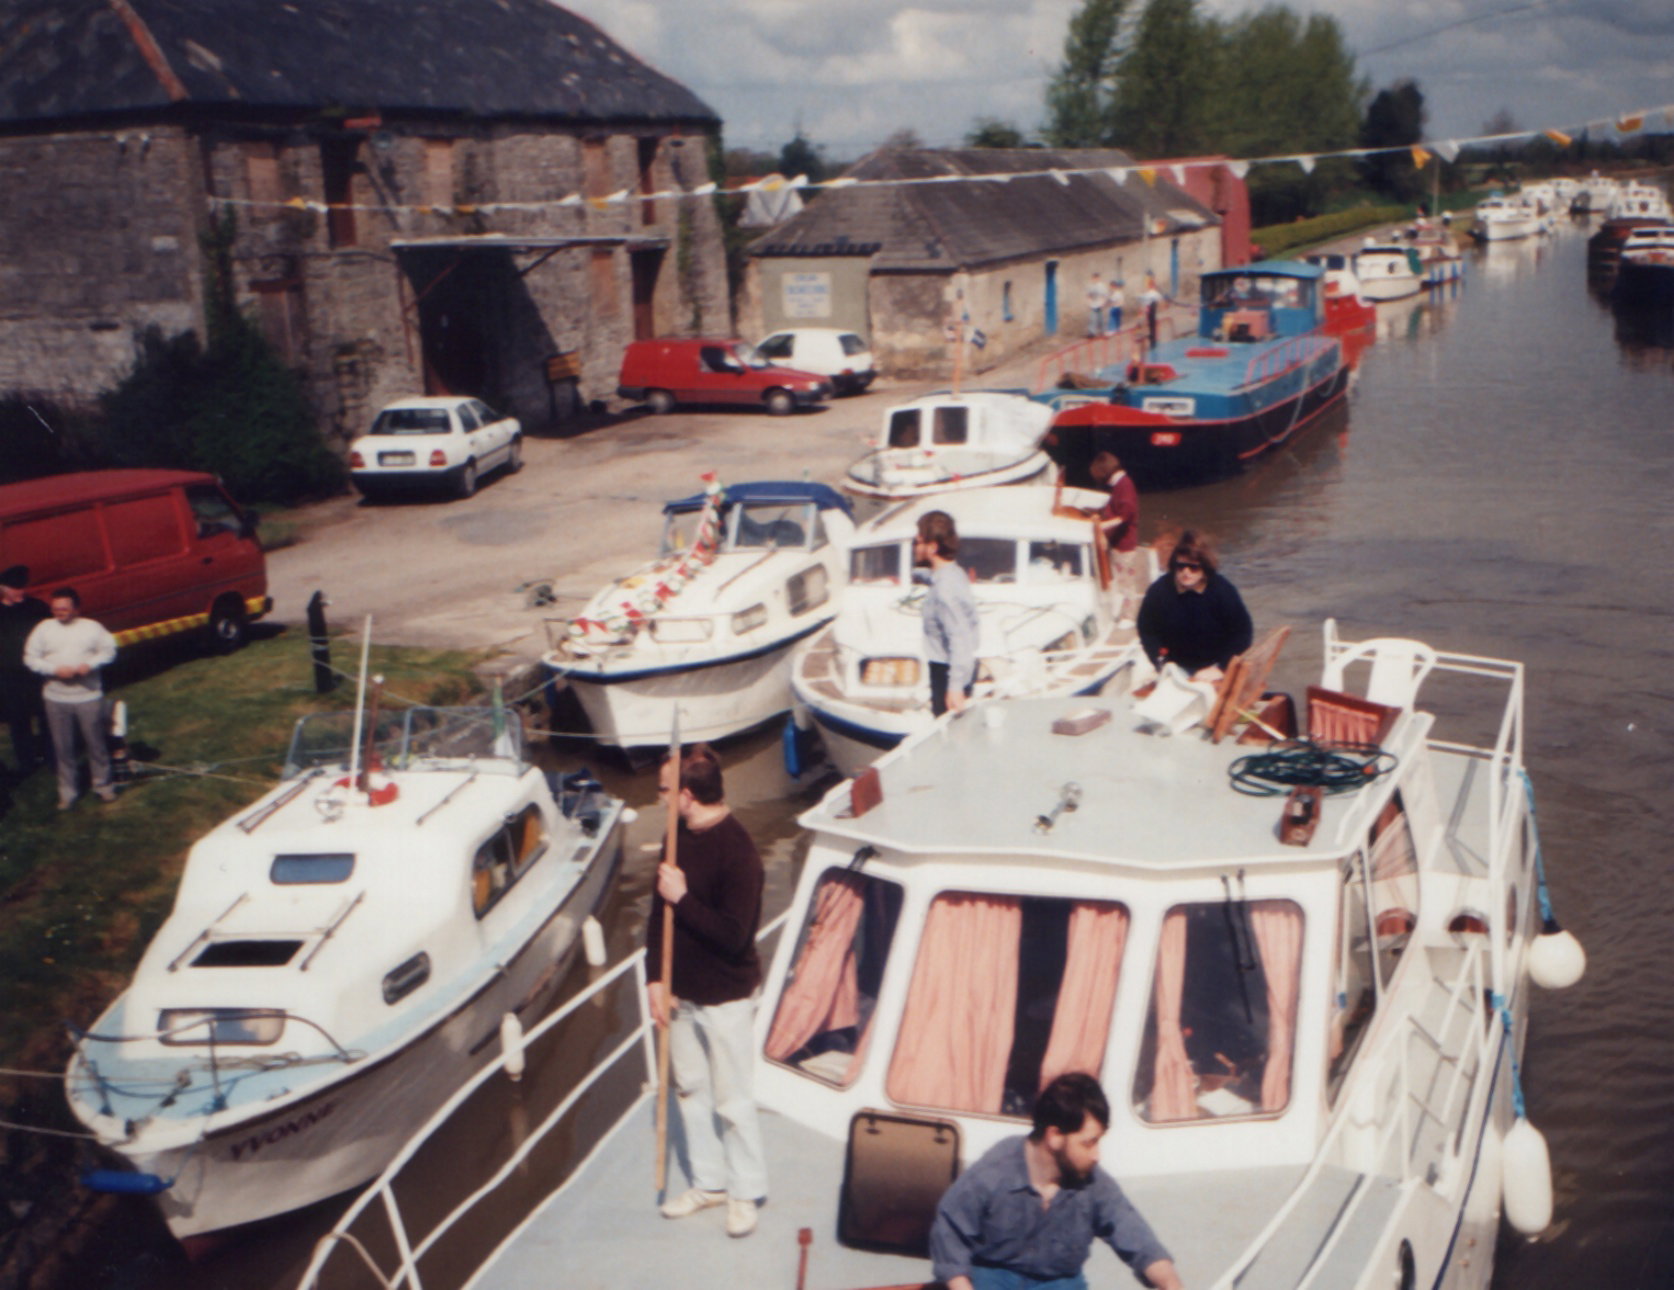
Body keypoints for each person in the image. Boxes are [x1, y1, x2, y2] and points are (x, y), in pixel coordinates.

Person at [647, 743, 768, 1239]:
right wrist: (655, 978)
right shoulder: (675, 837)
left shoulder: (739, 853)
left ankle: (744, 1192)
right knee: (690, 1091)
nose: (658, 798)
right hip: (681, 994)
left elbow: (734, 936)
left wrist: (684, 898)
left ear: (689, 795)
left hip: (726, 997)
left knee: (732, 1101)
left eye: (664, 790)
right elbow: (658, 916)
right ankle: (710, 1182)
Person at [929, 1073, 1185, 1290]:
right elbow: (950, 1233)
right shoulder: (993, 1174)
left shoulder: (1092, 1182)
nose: (1097, 1155)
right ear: (1054, 1137)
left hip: (1060, 1282)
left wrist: (1170, 1283)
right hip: (995, 1276)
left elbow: (1135, 1236)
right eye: (1088, 1143)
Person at [24, 587, 118, 809]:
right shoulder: (43, 629)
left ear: (76, 608)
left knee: (96, 744)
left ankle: (103, 786)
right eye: (55, 609)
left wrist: (90, 664)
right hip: (56, 699)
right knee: (63, 748)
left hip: (88, 696)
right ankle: (68, 793)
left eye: (64, 609)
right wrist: (54, 670)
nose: (59, 613)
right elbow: (30, 658)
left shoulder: (92, 627)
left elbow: (109, 651)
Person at [1136, 531, 1252, 683]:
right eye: (1180, 566)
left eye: (1193, 567)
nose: (1186, 572)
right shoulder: (1159, 591)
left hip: (1215, 667)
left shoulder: (1223, 590)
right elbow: (1146, 629)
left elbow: (1243, 633)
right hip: (1175, 667)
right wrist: (1161, 661)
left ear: (1204, 568)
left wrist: (1221, 667)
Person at [916, 510, 980, 716]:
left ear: (932, 548)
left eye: (919, 543)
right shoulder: (953, 573)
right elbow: (935, 577)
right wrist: (918, 574)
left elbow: (958, 637)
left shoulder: (944, 591)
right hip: (953, 668)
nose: (915, 548)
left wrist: (955, 687)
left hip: (947, 671)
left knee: (951, 733)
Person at [0, 565, 50, 778]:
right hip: (10, 678)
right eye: (14, 588)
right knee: (19, 721)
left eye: (22, 587)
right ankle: (27, 762)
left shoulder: (37, 607)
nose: (20, 591)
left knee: (46, 716)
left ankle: (52, 756)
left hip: (37, 674)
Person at [1086, 453, 1142, 623]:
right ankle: (1123, 612)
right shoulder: (1119, 485)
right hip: (1118, 542)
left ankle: (1129, 617)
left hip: (1124, 545)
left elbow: (1125, 515)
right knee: (1120, 580)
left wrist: (1102, 526)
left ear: (1104, 473)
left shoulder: (1124, 486)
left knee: (1126, 583)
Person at [1141, 275, 1163, 348]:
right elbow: (1160, 300)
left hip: (1150, 311)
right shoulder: (1154, 293)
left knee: (1150, 326)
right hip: (1152, 311)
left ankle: (1152, 341)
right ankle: (1152, 342)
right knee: (1152, 327)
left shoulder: (1150, 293)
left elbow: (1145, 303)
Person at [1085, 272, 1110, 337]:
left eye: (1096, 278)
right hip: (1093, 304)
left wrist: (1103, 303)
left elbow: (1105, 295)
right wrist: (1089, 303)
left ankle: (1103, 332)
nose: (1095, 279)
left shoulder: (1102, 286)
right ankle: (1092, 333)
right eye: (1093, 278)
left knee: (1101, 319)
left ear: (1099, 278)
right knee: (1092, 318)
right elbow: (1088, 295)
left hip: (1100, 303)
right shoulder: (1090, 286)